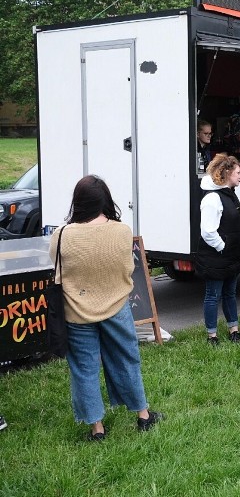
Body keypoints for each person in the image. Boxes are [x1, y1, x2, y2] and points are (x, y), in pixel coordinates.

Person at [49, 175, 162, 441]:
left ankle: (97, 429)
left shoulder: (62, 234)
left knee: (84, 368)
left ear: (77, 202)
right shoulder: (122, 231)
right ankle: (143, 416)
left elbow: (57, 273)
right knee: (127, 360)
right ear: (106, 200)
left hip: (76, 312)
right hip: (117, 307)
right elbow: (128, 269)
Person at [195, 153, 240, 345]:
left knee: (230, 294)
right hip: (216, 256)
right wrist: (223, 247)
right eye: (238, 172)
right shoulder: (212, 198)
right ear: (226, 173)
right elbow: (208, 231)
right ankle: (212, 335)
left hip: (230, 255)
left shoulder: (229, 193)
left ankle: (234, 330)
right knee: (213, 295)